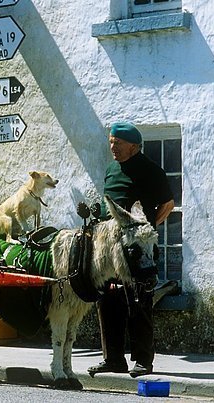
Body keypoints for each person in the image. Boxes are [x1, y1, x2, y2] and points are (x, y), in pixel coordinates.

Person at [88, 122, 174, 378]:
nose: (113, 147)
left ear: (134, 147)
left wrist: (142, 231)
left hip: (136, 250)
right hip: (111, 250)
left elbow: (168, 204)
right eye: (111, 142)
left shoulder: (151, 171)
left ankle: (143, 360)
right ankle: (113, 358)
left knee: (139, 302)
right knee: (108, 301)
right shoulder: (112, 170)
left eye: (119, 143)